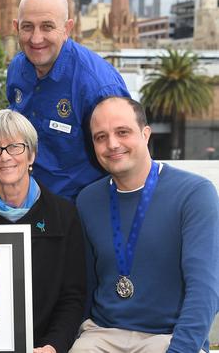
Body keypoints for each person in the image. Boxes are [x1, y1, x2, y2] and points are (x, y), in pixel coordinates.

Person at [72, 96, 219, 353]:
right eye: (100, 137)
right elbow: (87, 282)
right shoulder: (88, 200)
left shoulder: (194, 193)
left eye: (122, 132)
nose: (112, 144)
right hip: (102, 335)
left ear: (146, 134)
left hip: (168, 337)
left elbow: (205, 289)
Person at [0, 109, 85, 353]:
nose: (5, 157)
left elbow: (73, 297)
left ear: (31, 155)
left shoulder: (64, 216)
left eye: (15, 147)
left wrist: (52, 346)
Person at [6, 0, 130, 201]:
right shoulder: (17, 67)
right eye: (27, 27)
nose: (36, 39)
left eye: (47, 27)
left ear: (67, 28)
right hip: (27, 202)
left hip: (78, 210)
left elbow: (125, 158)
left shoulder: (96, 84)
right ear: (16, 28)